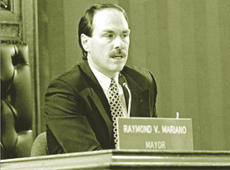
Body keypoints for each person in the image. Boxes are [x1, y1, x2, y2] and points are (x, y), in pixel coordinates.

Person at [44, 3, 157, 155]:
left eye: (124, 35)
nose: (119, 44)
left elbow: (154, 147)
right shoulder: (64, 91)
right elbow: (92, 158)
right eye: (109, 36)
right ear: (86, 43)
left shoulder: (143, 81)